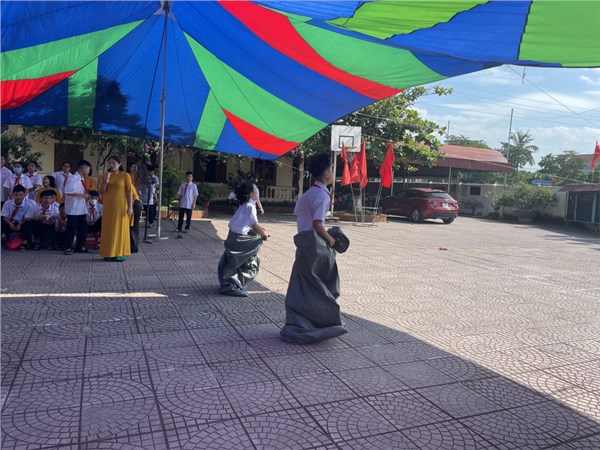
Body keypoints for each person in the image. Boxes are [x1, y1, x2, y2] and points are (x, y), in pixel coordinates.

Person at [280, 153, 348, 344]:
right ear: (326, 173)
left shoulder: (308, 194)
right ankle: (322, 321)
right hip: (315, 245)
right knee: (323, 285)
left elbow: (303, 217)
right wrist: (331, 239)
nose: (333, 173)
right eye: (331, 170)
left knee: (303, 285)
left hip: (303, 243)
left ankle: (301, 321)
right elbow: (317, 223)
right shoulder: (321, 195)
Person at [218, 181, 269, 297]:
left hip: (233, 236)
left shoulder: (244, 205)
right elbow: (254, 225)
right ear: (251, 194)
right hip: (239, 239)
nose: (258, 193)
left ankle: (231, 284)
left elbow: (246, 224)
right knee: (247, 262)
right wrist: (264, 233)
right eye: (256, 191)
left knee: (233, 262)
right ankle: (231, 286)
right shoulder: (250, 206)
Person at [98, 155, 134, 262]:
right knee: (109, 228)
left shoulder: (125, 175)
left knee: (120, 228)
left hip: (120, 206)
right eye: (110, 163)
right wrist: (105, 182)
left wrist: (130, 207)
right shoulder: (104, 175)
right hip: (108, 206)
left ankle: (120, 252)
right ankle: (108, 253)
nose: (111, 165)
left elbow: (129, 192)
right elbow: (100, 191)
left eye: (114, 163)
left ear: (119, 164)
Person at [63, 160, 92, 255]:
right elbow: (68, 191)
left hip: (81, 208)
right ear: (83, 169)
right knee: (71, 228)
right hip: (73, 209)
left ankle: (79, 246)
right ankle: (67, 247)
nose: (89, 172)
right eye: (88, 169)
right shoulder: (73, 178)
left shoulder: (81, 179)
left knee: (82, 229)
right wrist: (82, 195)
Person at [1, 185, 31, 250]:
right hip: (10, 223)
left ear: (24, 195)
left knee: (30, 223)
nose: (18, 197)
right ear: (13, 194)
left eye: (20, 195)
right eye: (16, 195)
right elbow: (4, 217)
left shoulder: (28, 205)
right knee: (2, 223)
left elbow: (27, 218)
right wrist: (10, 224)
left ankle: (25, 242)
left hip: (21, 223)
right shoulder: (7, 203)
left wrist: (20, 224)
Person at [127, 163, 143, 253]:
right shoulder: (128, 175)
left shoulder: (137, 177)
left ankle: (133, 246)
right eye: (132, 167)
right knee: (133, 226)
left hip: (134, 203)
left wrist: (130, 207)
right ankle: (133, 246)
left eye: (136, 167)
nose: (134, 168)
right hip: (133, 201)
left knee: (132, 225)